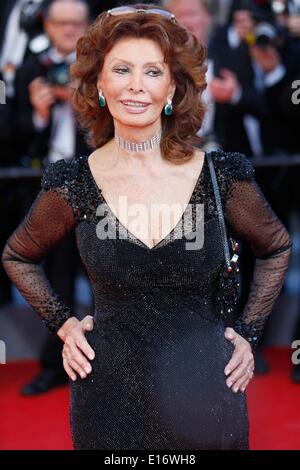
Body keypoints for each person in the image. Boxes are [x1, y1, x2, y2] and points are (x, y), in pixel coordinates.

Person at [2, 4, 292, 450]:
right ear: (99, 84)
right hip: (108, 400)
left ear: (173, 88)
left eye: (153, 72)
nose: (136, 85)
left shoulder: (222, 176)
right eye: (121, 69)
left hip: (209, 397)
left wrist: (249, 333)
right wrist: (64, 326)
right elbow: (18, 254)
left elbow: (275, 247)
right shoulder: (74, 182)